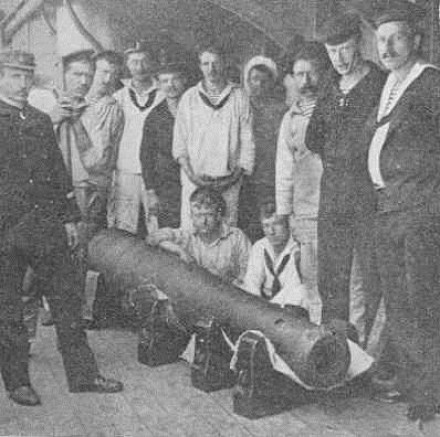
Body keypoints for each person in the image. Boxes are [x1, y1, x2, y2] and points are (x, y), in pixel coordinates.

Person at [0, 50, 123, 407]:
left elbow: (56, 172)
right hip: (6, 232)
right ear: (0, 77)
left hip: (47, 228)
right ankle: (17, 382)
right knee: (8, 310)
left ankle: (83, 376)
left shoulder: (39, 119)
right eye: (14, 76)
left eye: (27, 76)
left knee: (68, 304)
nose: (22, 84)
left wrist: (69, 217)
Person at [365, 0, 440, 421]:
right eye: (380, 39)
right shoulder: (390, 83)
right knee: (398, 302)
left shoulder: (430, 84)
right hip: (389, 207)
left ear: (415, 39)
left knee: (422, 300)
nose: (387, 46)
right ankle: (415, 384)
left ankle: (431, 392)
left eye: (395, 38)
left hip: (420, 210)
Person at [305, 13, 385, 341]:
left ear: (360, 45)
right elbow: (313, 138)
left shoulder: (379, 84)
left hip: (369, 195)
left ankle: (370, 352)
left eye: (345, 49)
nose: (338, 58)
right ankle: (332, 347)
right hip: (334, 192)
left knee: (372, 274)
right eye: (331, 51)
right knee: (331, 274)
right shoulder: (329, 85)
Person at [173, 43, 255, 230]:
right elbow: (179, 144)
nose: (211, 69)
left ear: (225, 63)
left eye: (216, 63)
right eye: (206, 63)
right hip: (195, 179)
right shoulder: (189, 97)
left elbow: (248, 142)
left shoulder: (239, 97)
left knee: (226, 229)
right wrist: (193, 177)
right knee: (192, 229)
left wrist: (232, 178)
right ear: (200, 66)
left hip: (228, 181)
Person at [276, 42, 329, 324]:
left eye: (312, 73)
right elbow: (284, 169)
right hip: (306, 212)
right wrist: (286, 214)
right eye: (299, 75)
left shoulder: (335, 108)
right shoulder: (290, 118)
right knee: (312, 284)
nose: (306, 81)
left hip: (338, 209)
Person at [110, 41, 164, 235]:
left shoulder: (164, 94)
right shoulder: (118, 97)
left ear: (152, 63)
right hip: (126, 170)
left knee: (158, 223)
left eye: (144, 61)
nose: (139, 68)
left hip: (156, 172)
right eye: (134, 62)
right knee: (125, 225)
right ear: (127, 65)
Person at [146, 187, 251, 286]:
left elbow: (249, 274)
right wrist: (180, 252)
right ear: (191, 216)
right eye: (198, 216)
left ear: (218, 215)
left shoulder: (236, 237)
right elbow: (152, 238)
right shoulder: (187, 235)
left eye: (208, 215)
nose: (203, 221)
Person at [239, 56, 287, 242]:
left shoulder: (280, 111)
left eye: (264, 81)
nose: (258, 85)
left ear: (272, 83)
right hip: (242, 179)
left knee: (267, 225)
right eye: (254, 79)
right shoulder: (240, 106)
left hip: (268, 179)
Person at [140, 52, 188, 228]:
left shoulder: (196, 111)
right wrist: (151, 191)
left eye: (175, 79)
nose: (171, 85)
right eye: (165, 81)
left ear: (184, 81)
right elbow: (146, 156)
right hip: (167, 187)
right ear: (159, 85)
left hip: (194, 182)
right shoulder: (154, 117)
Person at [243, 203, 315, 320]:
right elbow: (252, 284)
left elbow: (293, 288)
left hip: (286, 305)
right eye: (266, 226)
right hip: (262, 305)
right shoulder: (260, 246)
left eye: (276, 224)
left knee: (302, 292)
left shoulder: (297, 249)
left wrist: (268, 311)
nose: (271, 231)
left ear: (287, 225)